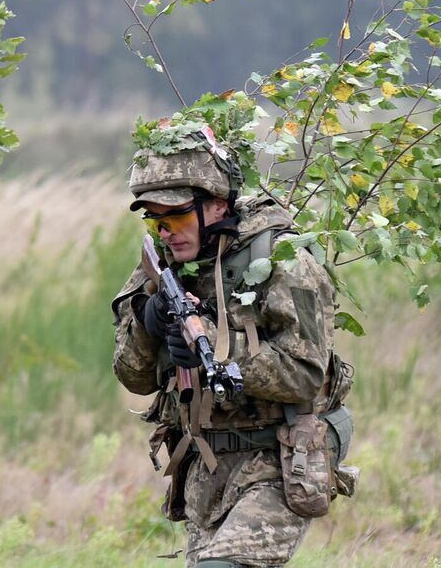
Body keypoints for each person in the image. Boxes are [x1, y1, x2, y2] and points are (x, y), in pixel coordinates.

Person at [111, 132, 354, 568]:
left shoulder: (284, 259)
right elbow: (132, 376)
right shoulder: (163, 265)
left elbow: (306, 373)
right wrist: (150, 322)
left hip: (281, 455)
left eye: (178, 215)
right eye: (154, 220)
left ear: (217, 205)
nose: (166, 230)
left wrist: (219, 347)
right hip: (208, 468)